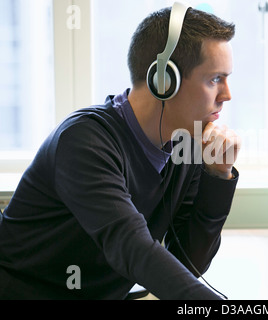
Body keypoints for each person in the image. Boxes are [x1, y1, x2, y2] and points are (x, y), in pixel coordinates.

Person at [0, 4, 240, 300]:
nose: (227, 94)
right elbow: (133, 249)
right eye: (215, 79)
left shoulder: (187, 143)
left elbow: (187, 262)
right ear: (164, 80)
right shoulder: (84, 143)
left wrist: (218, 175)